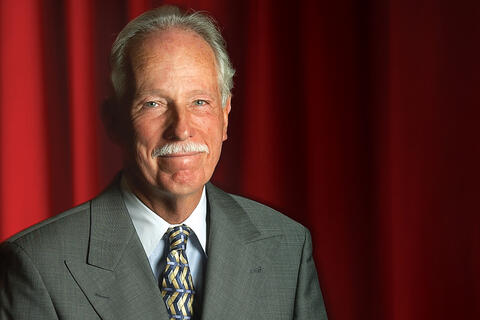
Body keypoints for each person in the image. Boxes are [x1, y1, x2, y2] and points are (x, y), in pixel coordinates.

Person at [0, 6, 327, 320]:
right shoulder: (38, 265)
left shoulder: (288, 247)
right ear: (113, 121)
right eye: (153, 103)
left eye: (200, 102)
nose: (181, 128)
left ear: (225, 118)